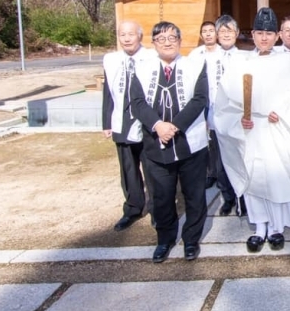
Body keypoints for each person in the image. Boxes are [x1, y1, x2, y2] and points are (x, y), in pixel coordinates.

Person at [214, 7, 290, 253]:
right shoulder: (241, 62)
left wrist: (283, 113)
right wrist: (239, 119)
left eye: (269, 33)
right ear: (253, 35)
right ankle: (259, 227)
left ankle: (277, 228)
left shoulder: (285, 63)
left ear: (277, 36)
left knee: (278, 179)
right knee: (254, 178)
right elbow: (225, 101)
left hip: (277, 130)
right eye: (259, 33)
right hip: (250, 131)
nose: (264, 38)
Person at [129, 21, 210, 263]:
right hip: (156, 144)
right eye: (161, 39)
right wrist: (158, 126)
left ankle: (191, 240)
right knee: (162, 196)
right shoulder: (141, 69)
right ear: (153, 43)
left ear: (180, 40)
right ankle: (164, 239)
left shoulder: (195, 65)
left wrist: (174, 126)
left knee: (194, 195)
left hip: (190, 142)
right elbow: (137, 102)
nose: (167, 42)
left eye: (172, 38)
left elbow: (200, 99)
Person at [102, 20, 155, 232]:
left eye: (130, 34)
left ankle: (157, 209)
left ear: (139, 36)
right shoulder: (111, 60)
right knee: (128, 169)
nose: (126, 38)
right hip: (121, 120)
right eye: (122, 34)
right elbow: (108, 92)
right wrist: (107, 122)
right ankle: (133, 208)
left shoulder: (152, 57)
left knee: (153, 169)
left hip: (147, 122)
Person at [187, 17, 241, 216]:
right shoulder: (204, 57)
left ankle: (242, 197)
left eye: (230, 31)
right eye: (222, 31)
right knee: (219, 160)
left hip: (238, 116)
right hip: (214, 114)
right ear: (217, 35)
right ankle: (228, 197)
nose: (226, 35)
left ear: (237, 33)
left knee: (239, 158)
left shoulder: (244, 56)